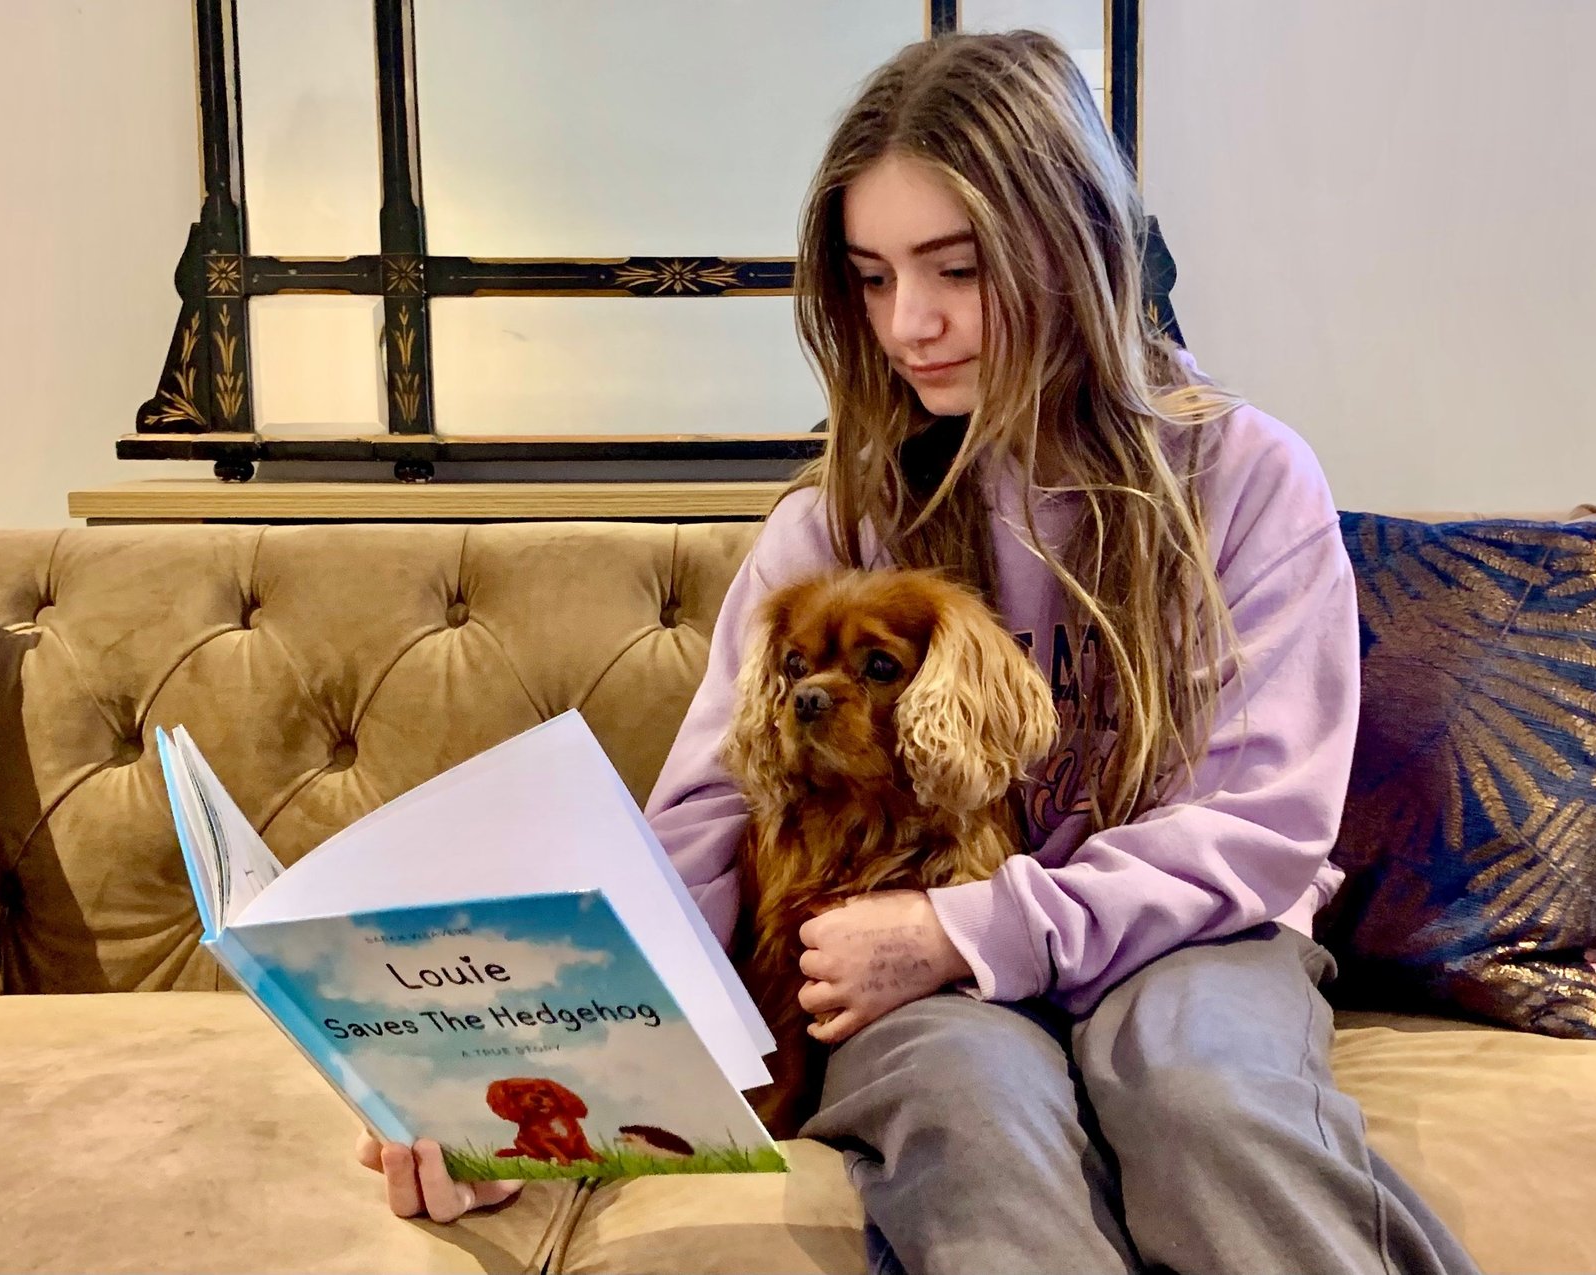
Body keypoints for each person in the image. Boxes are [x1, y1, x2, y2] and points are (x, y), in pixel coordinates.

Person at [359, 29, 1482, 1275]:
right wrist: (510, 1077)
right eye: (874, 276)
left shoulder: (1242, 477)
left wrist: (975, 929)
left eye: (957, 268)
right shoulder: (837, 520)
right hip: (903, 973)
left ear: (1073, 245)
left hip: (1189, 942)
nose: (914, 324)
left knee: (1206, 1092)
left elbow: (1259, 827)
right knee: (969, 1115)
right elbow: (704, 823)